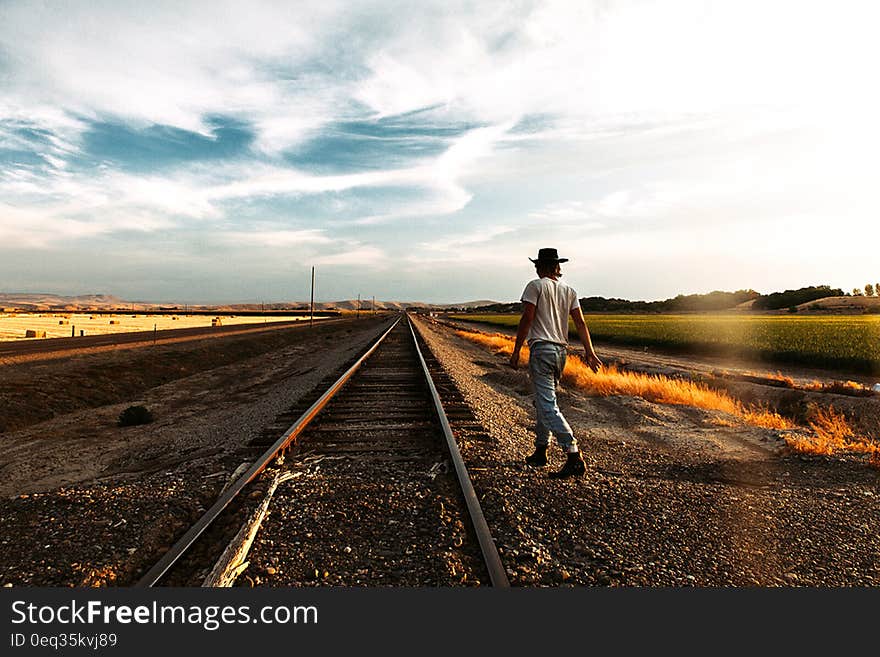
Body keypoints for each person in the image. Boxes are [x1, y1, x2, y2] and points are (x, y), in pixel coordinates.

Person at [509, 248, 602, 479]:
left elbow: (527, 318)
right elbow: (580, 323)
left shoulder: (535, 286)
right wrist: (589, 352)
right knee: (544, 401)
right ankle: (541, 450)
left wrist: (516, 349)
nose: (535, 269)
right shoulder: (569, 291)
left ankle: (573, 454)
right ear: (557, 267)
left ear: (541, 267)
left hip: (542, 350)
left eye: (537, 265)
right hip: (561, 352)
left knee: (547, 404)